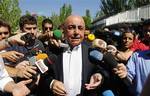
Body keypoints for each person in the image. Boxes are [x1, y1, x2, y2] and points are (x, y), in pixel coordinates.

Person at [38, 15, 107, 96]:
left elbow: (104, 71)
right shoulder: (52, 50)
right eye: (71, 27)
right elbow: (41, 75)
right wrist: (51, 83)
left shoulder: (91, 50)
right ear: (64, 30)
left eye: (80, 28)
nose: (76, 32)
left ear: (84, 30)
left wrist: (100, 76)